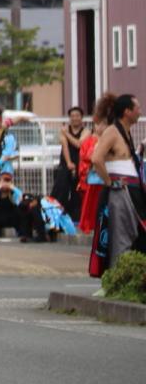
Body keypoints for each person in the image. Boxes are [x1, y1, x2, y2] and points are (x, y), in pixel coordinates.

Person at [89, 94, 146, 277]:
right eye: (137, 107)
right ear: (127, 112)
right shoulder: (112, 132)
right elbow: (96, 159)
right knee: (121, 237)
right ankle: (118, 280)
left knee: (135, 235)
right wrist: (109, 182)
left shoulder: (125, 132)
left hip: (132, 191)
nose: (140, 111)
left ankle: (129, 277)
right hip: (121, 191)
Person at [78, 94, 116, 234]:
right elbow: (88, 157)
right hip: (97, 180)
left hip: (104, 179)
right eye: (97, 124)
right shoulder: (93, 140)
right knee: (96, 212)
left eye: (101, 123)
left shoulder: (108, 138)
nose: (98, 127)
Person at [54, 107, 89, 222]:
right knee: (61, 189)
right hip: (66, 162)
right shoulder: (64, 129)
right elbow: (64, 145)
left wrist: (67, 134)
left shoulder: (86, 131)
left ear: (81, 117)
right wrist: (69, 163)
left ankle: (77, 218)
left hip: (80, 163)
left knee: (77, 192)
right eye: (72, 116)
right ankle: (57, 216)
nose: (75, 118)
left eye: (77, 115)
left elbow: (79, 144)